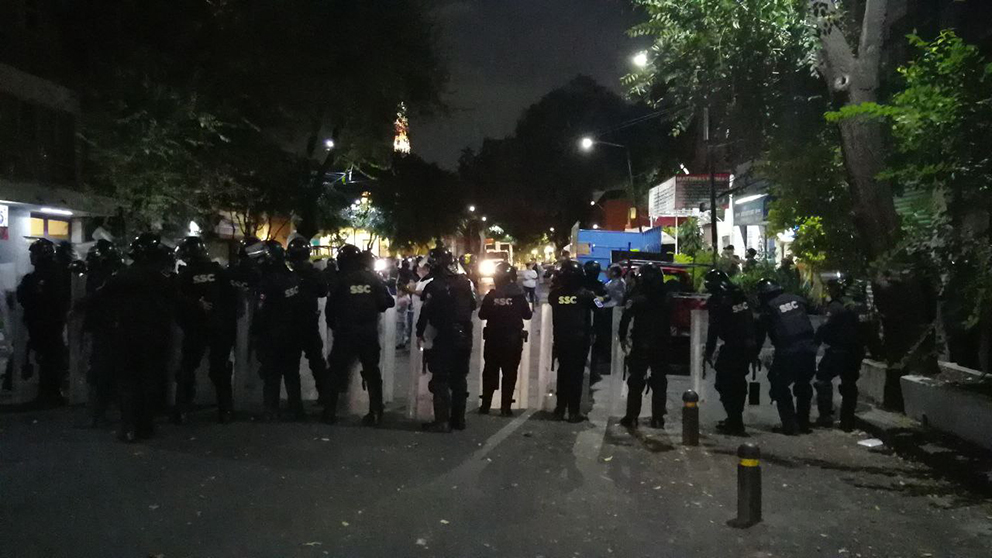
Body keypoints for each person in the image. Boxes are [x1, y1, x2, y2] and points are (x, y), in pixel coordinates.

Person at [92, 233, 177, 442]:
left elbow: (100, 296)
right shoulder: (161, 279)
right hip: (154, 337)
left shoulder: (123, 276)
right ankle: (144, 425)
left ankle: (129, 425)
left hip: (127, 335)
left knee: (128, 382)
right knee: (149, 380)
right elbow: (178, 301)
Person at [323, 244, 395, 426]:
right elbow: (387, 302)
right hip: (368, 332)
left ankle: (329, 412)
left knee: (336, 370)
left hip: (345, 332)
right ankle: (376, 412)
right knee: (372, 372)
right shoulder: (373, 278)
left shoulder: (341, 279)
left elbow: (330, 309)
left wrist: (335, 325)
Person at [173, 236, 237, 424]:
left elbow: (177, 301)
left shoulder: (185, 275)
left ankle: (182, 409)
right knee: (220, 369)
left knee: (187, 368)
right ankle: (225, 410)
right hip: (219, 328)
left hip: (195, 328)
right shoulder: (218, 271)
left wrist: (193, 309)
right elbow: (232, 301)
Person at [417, 247, 477, 432]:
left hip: (445, 336)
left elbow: (425, 312)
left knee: (440, 378)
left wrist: (419, 333)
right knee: (459, 378)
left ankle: (442, 421)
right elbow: (473, 305)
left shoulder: (434, 286)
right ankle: (458, 420)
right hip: (465, 334)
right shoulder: (466, 282)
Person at [252, 240, 307, 421]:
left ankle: (271, 409)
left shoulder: (267, 282)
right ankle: (296, 409)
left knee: (272, 373)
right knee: (292, 373)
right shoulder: (292, 277)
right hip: (294, 332)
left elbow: (261, 312)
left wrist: (256, 334)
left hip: (274, 333)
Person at [756, 277, 817, 435]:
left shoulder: (769, 308)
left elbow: (760, 336)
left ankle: (790, 425)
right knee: (803, 385)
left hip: (788, 351)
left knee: (778, 384)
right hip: (809, 349)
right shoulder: (797, 300)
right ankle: (803, 423)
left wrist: (753, 354)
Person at [16, 238, 71, 408]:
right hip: (45, 323)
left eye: (34, 254)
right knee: (46, 358)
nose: (31, 257)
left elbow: (35, 297)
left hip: (47, 323)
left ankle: (50, 394)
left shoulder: (49, 274)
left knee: (49, 358)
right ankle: (49, 393)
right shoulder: (47, 273)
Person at [703, 269, 759, 435]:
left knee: (724, 383)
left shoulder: (717, 300)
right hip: (747, 346)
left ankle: (735, 421)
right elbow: (751, 320)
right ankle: (735, 419)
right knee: (738, 383)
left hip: (733, 347)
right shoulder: (740, 295)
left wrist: (709, 351)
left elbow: (714, 328)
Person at [814, 274, 871, 431]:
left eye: (832, 287)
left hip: (838, 350)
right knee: (849, 384)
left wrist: (815, 344)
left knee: (823, 378)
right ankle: (847, 421)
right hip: (855, 352)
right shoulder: (860, 306)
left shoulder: (835, 307)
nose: (830, 290)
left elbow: (824, 327)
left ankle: (825, 417)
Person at [618, 264, 672, 428]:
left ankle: (632, 416)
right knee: (659, 381)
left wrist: (622, 337)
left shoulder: (637, 298)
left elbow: (625, 319)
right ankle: (658, 418)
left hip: (641, 344)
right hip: (661, 344)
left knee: (636, 381)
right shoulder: (667, 298)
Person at [478, 262, 532, 416]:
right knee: (510, 373)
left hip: (493, 340)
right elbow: (527, 315)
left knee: (490, 371)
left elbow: (482, 315)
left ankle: (485, 405)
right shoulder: (518, 295)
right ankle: (505, 408)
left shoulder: (491, 295)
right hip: (512, 341)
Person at [548, 260, 596, 422]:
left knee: (563, 373)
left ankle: (560, 409)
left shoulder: (555, 295)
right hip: (579, 340)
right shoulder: (586, 295)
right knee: (576, 375)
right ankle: (573, 411)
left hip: (561, 339)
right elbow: (600, 306)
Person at [82, 239, 124, 425]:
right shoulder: (113, 276)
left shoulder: (104, 278)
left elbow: (95, 300)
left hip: (104, 329)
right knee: (106, 371)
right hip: (109, 328)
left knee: (101, 371)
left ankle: (98, 412)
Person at [287, 237, 329, 404]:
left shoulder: (288, 273)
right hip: (309, 322)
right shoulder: (314, 273)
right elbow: (323, 292)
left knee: (292, 364)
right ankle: (324, 396)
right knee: (317, 361)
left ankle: (295, 402)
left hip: (291, 322)